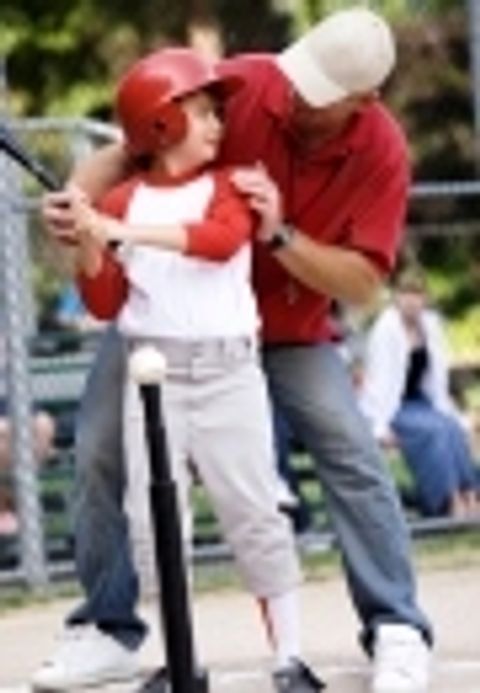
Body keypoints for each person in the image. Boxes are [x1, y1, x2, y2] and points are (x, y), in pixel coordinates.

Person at [37, 7, 433, 693]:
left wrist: (278, 236)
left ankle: (396, 627)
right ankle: (105, 629)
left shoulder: (381, 152)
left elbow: (364, 281)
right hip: (165, 324)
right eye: (297, 79)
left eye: (316, 97)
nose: (293, 98)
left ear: (362, 102)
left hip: (286, 329)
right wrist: (80, 199)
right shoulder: (255, 81)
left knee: (351, 450)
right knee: (100, 445)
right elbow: (135, 140)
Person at [33, 48, 324, 693]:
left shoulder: (230, 185)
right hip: (152, 380)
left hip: (228, 375)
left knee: (256, 513)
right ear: (158, 126)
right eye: (199, 113)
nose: (218, 123)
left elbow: (219, 241)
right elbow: (106, 301)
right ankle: (181, 660)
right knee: (154, 522)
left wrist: (112, 226)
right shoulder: (125, 199)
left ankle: (290, 660)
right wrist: (89, 240)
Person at [359, 267, 480, 520]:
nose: (412, 301)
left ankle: (470, 493)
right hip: (392, 407)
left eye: (417, 294)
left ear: (425, 298)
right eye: (406, 294)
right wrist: (379, 427)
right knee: (433, 431)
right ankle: (447, 500)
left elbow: (436, 378)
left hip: (421, 402)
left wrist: (452, 412)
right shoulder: (386, 329)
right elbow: (378, 384)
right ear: (396, 297)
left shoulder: (430, 325)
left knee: (451, 427)